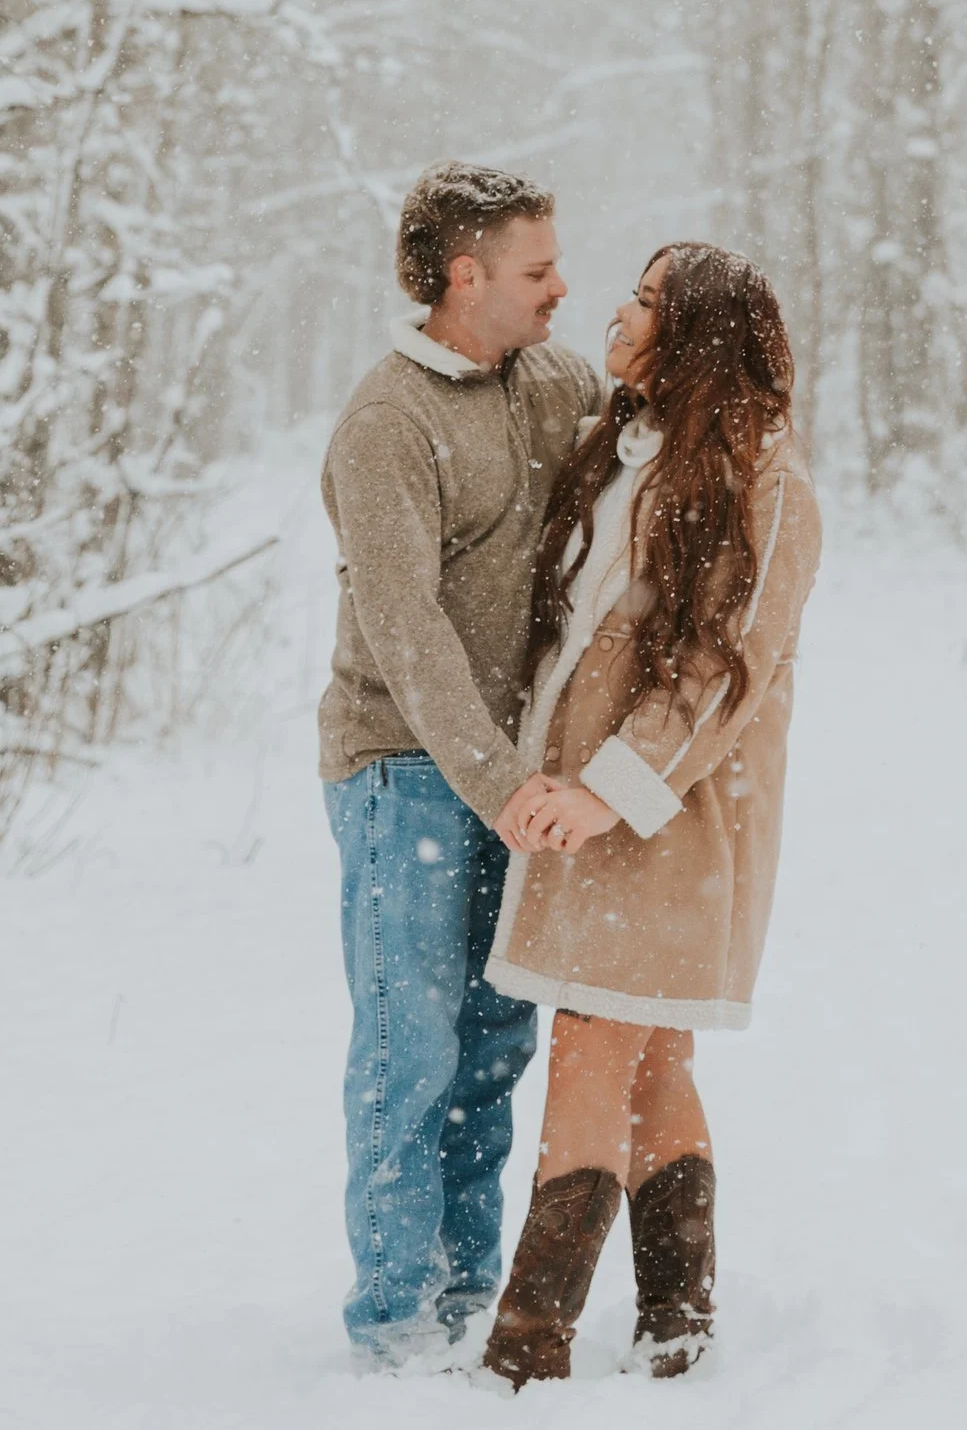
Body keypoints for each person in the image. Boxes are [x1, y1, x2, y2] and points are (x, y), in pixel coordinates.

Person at [475, 243, 820, 1390]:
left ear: (697, 333)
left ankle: (528, 1347)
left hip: (673, 815)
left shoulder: (767, 475)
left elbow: (726, 669)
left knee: (591, 1041)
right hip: (597, 806)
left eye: (644, 298)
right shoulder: (631, 443)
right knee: (649, 1050)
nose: (618, 311)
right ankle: (678, 1320)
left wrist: (607, 789)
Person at [318, 163, 602, 1371]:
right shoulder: (389, 421)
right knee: (409, 1049)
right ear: (462, 274)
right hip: (403, 770)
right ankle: (393, 1324)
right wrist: (499, 784)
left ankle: (468, 1292)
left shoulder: (554, 381)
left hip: (516, 783)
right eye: (537, 269)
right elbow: (406, 630)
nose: (561, 287)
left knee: (493, 1048)